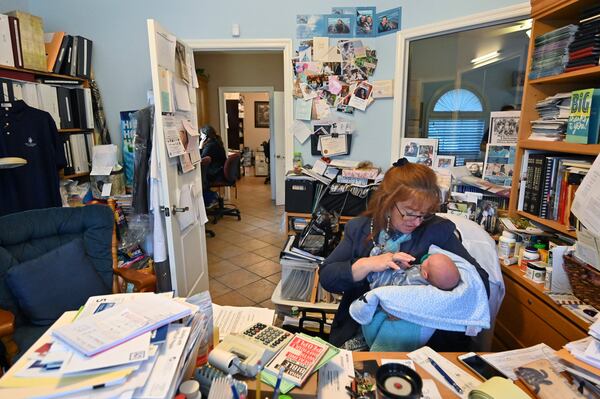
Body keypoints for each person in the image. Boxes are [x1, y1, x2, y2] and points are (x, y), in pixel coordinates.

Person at [319, 158, 490, 351]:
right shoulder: (359, 228)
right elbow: (327, 277)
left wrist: (413, 308)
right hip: (359, 329)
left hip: (422, 340)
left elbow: (480, 283)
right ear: (387, 202)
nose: (417, 222)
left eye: (424, 214)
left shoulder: (437, 231)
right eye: (409, 213)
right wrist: (368, 264)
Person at [367, 252, 460, 290]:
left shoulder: (415, 282)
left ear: (424, 274)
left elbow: (398, 284)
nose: (427, 257)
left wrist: (399, 269)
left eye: (428, 260)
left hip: (386, 283)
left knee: (376, 253)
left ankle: (371, 274)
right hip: (402, 273)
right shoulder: (427, 272)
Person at [200, 125, 226, 206]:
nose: (200, 136)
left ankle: (210, 199)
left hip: (214, 173)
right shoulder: (217, 142)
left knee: (200, 180)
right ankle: (212, 198)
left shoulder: (210, 145)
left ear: (205, 136)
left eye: (201, 135)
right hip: (219, 171)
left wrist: (200, 146)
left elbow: (201, 158)